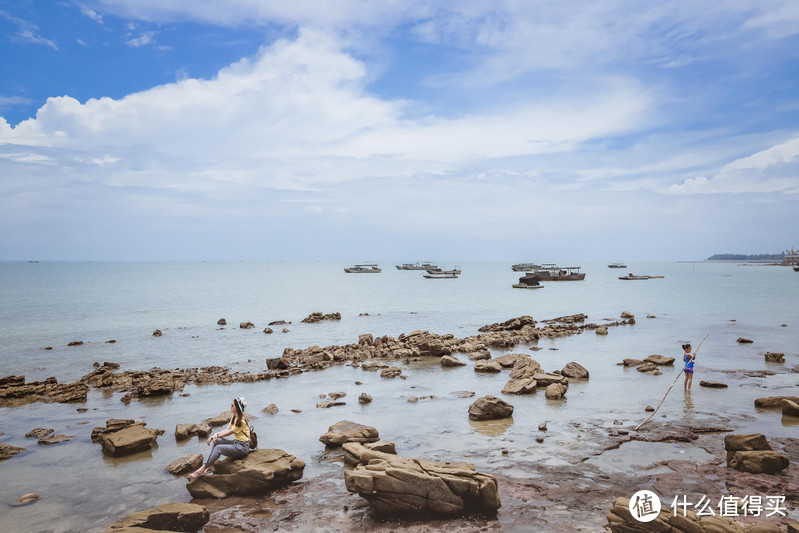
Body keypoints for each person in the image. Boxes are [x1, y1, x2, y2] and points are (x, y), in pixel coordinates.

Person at [188, 397, 251, 479]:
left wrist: (213, 436)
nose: (230, 406)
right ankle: (211, 466)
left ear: (237, 408)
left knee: (218, 448)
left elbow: (228, 433)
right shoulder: (234, 417)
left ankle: (201, 470)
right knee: (217, 440)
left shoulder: (241, 421)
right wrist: (215, 435)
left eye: (232, 405)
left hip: (243, 447)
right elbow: (226, 429)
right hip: (237, 443)